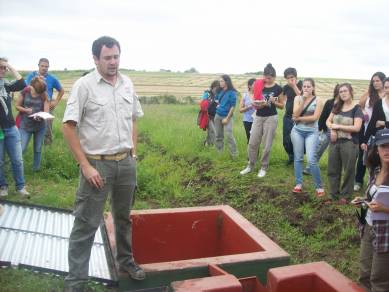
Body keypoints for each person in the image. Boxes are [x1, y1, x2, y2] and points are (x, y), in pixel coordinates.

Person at [62, 36, 145, 291]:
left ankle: (126, 261)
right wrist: (85, 166)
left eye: (116, 56)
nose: (113, 62)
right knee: (86, 223)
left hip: (125, 164)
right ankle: (76, 282)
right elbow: (68, 126)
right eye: (107, 58)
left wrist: (133, 151)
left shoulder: (127, 83)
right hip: (97, 165)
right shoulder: (84, 86)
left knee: (123, 218)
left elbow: (133, 118)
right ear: (95, 59)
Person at [352, 127, 389, 292]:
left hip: (385, 232)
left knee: (379, 280)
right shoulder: (375, 171)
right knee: (364, 274)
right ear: (377, 149)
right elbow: (372, 197)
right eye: (383, 146)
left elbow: (382, 204)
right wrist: (362, 201)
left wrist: (384, 208)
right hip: (368, 227)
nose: (387, 150)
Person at [240, 64, 284, 178]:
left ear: (274, 77)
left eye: (270, 77)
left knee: (267, 144)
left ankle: (264, 167)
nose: (267, 80)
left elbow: (281, 105)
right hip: (258, 116)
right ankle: (250, 165)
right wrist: (257, 104)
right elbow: (254, 99)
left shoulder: (278, 88)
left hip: (271, 117)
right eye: (266, 77)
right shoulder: (259, 84)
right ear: (263, 75)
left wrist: (272, 102)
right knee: (252, 142)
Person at [326, 83, 363, 203]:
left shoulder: (357, 108)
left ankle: (345, 195)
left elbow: (357, 128)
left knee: (348, 170)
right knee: (333, 168)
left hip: (350, 143)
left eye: (345, 91)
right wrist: (332, 129)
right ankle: (333, 194)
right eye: (340, 91)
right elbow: (328, 121)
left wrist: (338, 126)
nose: (343, 93)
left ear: (351, 91)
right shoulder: (337, 106)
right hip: (335, 142)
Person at [0, 57, 29, 197]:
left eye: (4, 68)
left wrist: (10, 66)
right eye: (1, 67)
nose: (3, 70)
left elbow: (22, 83)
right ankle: (3, 186)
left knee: (17, 160)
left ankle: (20, 187)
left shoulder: (5, 85)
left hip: (11, 128)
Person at [290, 78, 324, 196]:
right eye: (304, 86)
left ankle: (319, 186)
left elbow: (314, 118)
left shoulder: (318, 100)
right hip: (297, 131)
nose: (306, 88)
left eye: (309, 86)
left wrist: (298, 119)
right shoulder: (297, 98)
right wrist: (303, 100)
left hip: (312, 132)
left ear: (313, 88)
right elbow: (295, 113)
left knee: (311, 160)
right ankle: (298, 184)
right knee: (298, 158)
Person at [355, 72, 386, 191]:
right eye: (373, 81)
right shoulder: (369, 94)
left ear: (383, 81)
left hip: (379, 129)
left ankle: (377, 181)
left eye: (378, 81)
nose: (375, 83)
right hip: (365, 127)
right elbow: (359, 106)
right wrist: (363, 113)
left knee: (376, 156)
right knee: (363, 153)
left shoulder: (386, 96)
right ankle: (358, 180)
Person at [25, 58, 64, 145]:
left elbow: (61, 91)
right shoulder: (31, 76)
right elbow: (25, 89)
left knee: (47, 127)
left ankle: (48, 146)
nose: (44, 68)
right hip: (33, 105)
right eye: (42, 66)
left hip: (47, 105)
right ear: (38, 66)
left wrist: (56, 102)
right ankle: (31, 145)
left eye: (46, 66)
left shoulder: (52, 78)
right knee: (29, 125)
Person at [304, 84, 340, 174]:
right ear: (336, 91)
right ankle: (309, 167)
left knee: (335, 153)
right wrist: (319, 128)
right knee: (319, 148)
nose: (340, 93)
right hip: (327, 130)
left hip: (339, 132)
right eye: (339, 91)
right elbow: (323, 115)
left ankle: (334, 171)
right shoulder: (329, 102)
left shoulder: (344, 105)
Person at [15, 77, 49, 171]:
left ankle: (36, 169)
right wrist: (25, 110)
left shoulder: (43, 94)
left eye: (40, 92)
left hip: (40, 126)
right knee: (22, 148)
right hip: (25, 125)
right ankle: (17, 167)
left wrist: (43, 116)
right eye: (36, 91)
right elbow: (17, 106)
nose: (38, 94)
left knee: (38, 149)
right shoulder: (24, 91)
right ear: (31, 86)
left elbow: (46, 109)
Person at [214, 74, 238, 158]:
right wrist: (218, 105)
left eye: (222, 81)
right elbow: (216, 100)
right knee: (218, 136)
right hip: (218, 115)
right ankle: (219, 153)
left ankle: (234, 155)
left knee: (229, 135)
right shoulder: (219, 91)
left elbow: (233, 106)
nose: (220, 83)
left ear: (226, 82)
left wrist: (227, 118)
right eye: (220, 81)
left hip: (227, 116)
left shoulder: (232, 92)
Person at [282, 68, 302, 165]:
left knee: (297, 139)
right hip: (287, 116)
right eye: (288, 78)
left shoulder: (301, 84)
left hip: (299, 117)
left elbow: (302, 97)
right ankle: (291, 156)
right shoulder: (285, 87)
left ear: (296, 77)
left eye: (292, 77)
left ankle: (298, 158)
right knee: (286, 139)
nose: (290, 79)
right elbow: (281, 98)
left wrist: (294, 86)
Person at [201, 80, 220, 146]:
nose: (217, 90)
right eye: (216, 88)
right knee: (213, 131)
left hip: (216, 116)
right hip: (208, 116)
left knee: (211, 132)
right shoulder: (207, 94)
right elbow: (203, 103)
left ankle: (206, 143)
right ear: (213, 87)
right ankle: (213, 146)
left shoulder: (219, 95)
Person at [239, 78, 256, 143]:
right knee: (250, 139)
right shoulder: (245, 95)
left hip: (257, 120)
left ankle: (256, 153)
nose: (256, 86)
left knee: (256, 139)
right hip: (247, 120)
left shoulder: (260, 95)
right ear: (249, 86)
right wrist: (249, 107)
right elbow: (240, 110)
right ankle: (250, 153)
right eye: (254, 85)